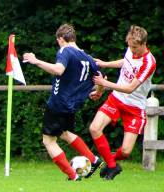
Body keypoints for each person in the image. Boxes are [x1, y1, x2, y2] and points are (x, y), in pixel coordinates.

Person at [23, 23, 104, 181]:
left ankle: (73, 175)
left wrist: (35, 61)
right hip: (72, 105)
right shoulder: (87, 57)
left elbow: (58, 69)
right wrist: (99, 92)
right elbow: (101, 78)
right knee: (66, 134)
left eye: (57, 40)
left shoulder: (65, 50)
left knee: (48, 140)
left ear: (61, 39)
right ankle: (94, 161)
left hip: (58, 103)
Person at [89, 25, 156, 180]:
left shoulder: (149, 62)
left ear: (144, 44)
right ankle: (112, 166)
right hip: (116, 99)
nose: (131, 50)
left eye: (134, 47)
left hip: (135, 107)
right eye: (129, 46)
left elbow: (130, 88)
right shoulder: (130, 49)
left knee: (125, 152)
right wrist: (105, 63)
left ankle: (110, 161)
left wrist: (104, 83)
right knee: (94, 128)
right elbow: (125, 62)